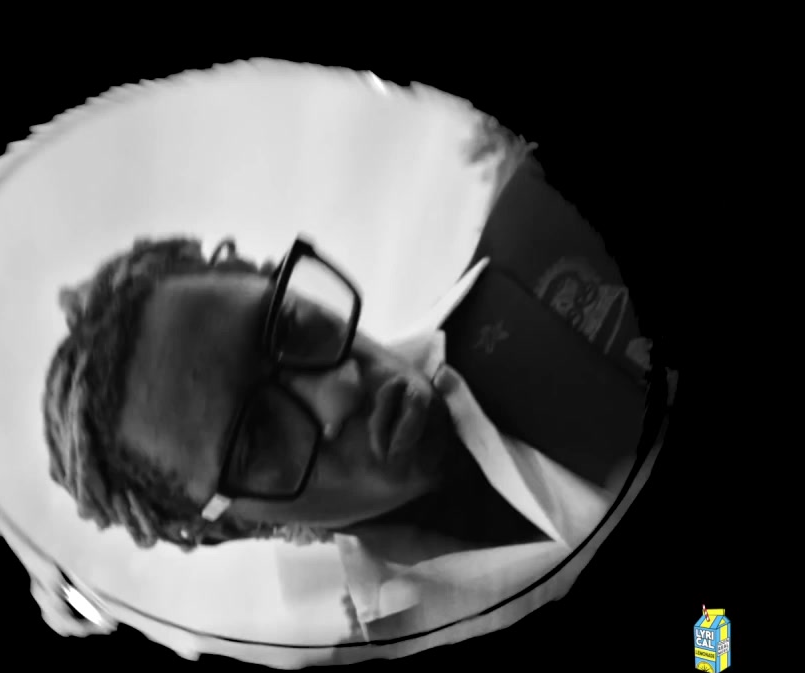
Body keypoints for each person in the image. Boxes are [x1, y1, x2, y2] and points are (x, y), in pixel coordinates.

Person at [42, 150, 669, 630]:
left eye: (289, 329)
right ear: (235, 526)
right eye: (259, 437)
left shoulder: (554, 222)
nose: (339, 389)